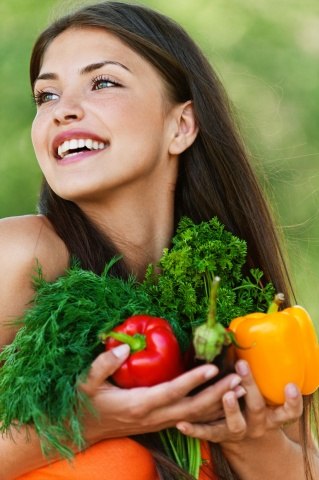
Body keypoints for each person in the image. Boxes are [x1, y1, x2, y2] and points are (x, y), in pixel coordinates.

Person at [0, 1, 318, 479]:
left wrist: (255, 442)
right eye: (46, 97)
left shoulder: (237, 311)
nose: (62, 111)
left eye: (102, 82)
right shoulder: (24, 256)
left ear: (182, 124)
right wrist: (76, 425)